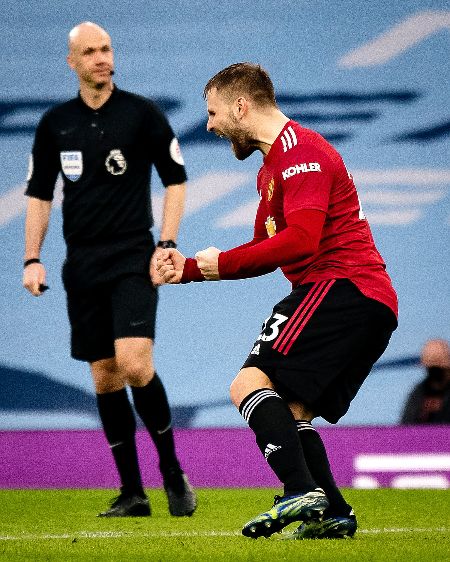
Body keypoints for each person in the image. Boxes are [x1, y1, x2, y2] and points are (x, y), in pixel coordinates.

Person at [157, 62, 398, 539]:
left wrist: (217, 263)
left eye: (213, 112)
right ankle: (334, 512)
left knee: (247, 384)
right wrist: (186, 270)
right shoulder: (271, 169)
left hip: (341, 287)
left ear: (241, 106)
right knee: (292, 412)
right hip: (362, 298)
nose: (209, 125)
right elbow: (263, 253)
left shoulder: (301, 152)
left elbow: (303, 241)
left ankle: (299, 491)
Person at [22, 22, 196, 518]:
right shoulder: (56, 123)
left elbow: (176, 180)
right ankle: (132, 492)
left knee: (135, 363)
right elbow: (38, 195)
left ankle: (170, 471)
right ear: (72, 62)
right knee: (103, 376)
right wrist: (32, 258)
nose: (101, 58)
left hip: (132, 256)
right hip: (83, 264)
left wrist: (166, 243)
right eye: (90, 52)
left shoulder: (141, 114)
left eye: (106, 49)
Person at [401, 339, 450, 424]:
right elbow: (406, 425)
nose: (435, 373)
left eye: (438, 369)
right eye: (432, 369)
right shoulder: (419, 392)